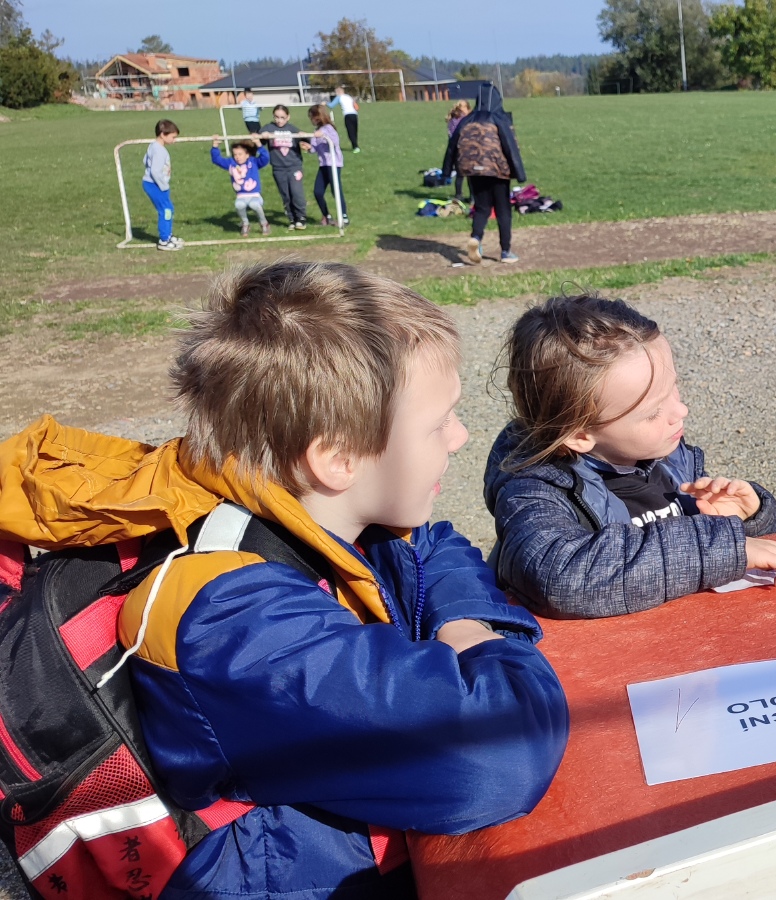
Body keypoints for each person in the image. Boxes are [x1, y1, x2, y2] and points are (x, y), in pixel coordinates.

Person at [0, 261, 569, 897]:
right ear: (337, 458)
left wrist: (462, 623)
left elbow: (430, 546)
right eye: (439, 422)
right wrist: (478, 637)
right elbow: (499, 753)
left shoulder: (297, 499)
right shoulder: (231, 624)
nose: (460, 437)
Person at [484, 294, 776, 618]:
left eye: (673, 387)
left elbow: (707, 555)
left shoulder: (661, 453)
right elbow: (562, 577)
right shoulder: (535, 488)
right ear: (579, 435)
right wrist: (721, 547)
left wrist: (747, 522)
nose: (680, 411)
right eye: (653, 412)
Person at [443, 82, 525, 264]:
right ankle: (505, 252)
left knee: (482, 208)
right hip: (498, 171)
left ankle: (476, 238)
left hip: (473, 170)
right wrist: (519, 173)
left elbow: (452, 146)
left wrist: (446, 171)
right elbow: (510, 146)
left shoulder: (466, 120)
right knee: (503, 210)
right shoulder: (499, 119)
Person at [257, 103, 309, 230]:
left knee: (296, 192)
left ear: (288, 117)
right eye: (276, 117)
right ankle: (292, 218)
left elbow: (307, 141)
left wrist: (304, 137)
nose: (279, 120)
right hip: (278, 168)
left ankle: (301, 217)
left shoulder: (292, 129)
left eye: (282, 117)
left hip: (294, 166)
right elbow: (259, 140)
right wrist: (262, 136)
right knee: (286, 195)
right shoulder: (269, 128)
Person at [211, 136, 271, 237]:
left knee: (254, 204)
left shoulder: (253, 162)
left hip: (254, 194)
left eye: (240, 154)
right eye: (235, 154)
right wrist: (215, 146)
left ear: (247, 155)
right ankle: (245, 223)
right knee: (239, 205)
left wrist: (259, 145)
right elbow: (217, 160)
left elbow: (265, 158)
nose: (237, 157)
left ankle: (264, 223)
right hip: (241, 195)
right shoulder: (231, 164)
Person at [142, 119, 183, 250]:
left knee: (169, 209)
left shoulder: (153, 146)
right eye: (173, 137)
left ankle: (168, 235)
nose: (174, 140)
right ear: (162, 134)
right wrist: (163, 185)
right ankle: (164, 240)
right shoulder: (160, 150)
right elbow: (155, 171)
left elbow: (145, 160)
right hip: (155, 185)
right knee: (166, 210)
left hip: (154, 184)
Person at [307, 102, 348, 225]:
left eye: (311, 117)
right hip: (323, 164)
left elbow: (335, 142)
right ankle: (327, 216)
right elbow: (314, 148)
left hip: (334, 164)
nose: (310, 120)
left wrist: (324, 136)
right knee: (318, 192)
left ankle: (344, 216)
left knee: (336, 190)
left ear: (317, 116)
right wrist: (308, 147)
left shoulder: (329, 128)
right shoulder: (316, 131)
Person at [446, 99, 471, 201]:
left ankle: (460, 195)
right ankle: (467, 196)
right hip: (463, 150)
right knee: (466, 174)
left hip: (459, 150)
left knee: (462, 174)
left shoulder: (454, 120)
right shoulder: (462, 120)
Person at [333, 84, 360, 152]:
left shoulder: (339, 97)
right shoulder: (348, 97)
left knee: (350, 132)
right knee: (354, 131)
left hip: (347, 115)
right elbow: (356, 107)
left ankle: (355, 147)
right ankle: (356, 146)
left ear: (338, 92)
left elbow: (331, 105)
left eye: (336, 92)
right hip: (354, 115)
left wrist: (325, 103)